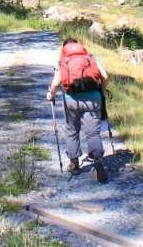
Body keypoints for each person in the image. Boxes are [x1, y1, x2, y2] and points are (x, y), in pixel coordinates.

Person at [46, 37, 110, 183]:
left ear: (64, 48)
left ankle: (74, 164)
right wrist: (102, 90)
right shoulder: (90, 58)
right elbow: (105, 76)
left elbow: (56, 83)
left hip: (71, 100)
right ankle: (98, 158)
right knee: (93, 132)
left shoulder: (63, 61)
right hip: (93, 99)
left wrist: (50, 94)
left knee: (72, 130)